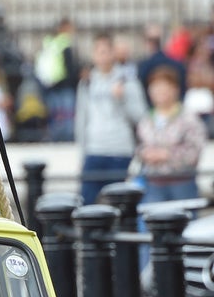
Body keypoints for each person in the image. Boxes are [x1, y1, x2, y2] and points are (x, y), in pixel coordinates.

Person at [75, 31, 148, 205]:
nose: (102, 56)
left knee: (118, 204)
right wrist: (82, 152)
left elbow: (141, 116)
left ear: (113, 53)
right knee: (88, 204)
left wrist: (122, 98)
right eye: (98, 51)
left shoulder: (128, 80)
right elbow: (82, 120)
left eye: (105, 51)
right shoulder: (87, 82)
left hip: (119, 150)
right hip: (94, 150)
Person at [135, 64, 207, 205]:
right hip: (153, 184)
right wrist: (145, 154)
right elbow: (138, 145)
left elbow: (195, 150)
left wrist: (167, 155)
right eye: (156, 87)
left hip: (181, 184)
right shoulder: (146, 119)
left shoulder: (188, 118)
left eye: (164, 87)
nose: (160, 92)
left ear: (175, 89)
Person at [33, 17, 79, 141]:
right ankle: (66, 139)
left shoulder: (48, 42)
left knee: (56, 115)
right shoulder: (64, 43)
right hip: (65, 85)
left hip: (51, 84)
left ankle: (56, 138)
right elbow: (69, 67)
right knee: (67, 116)